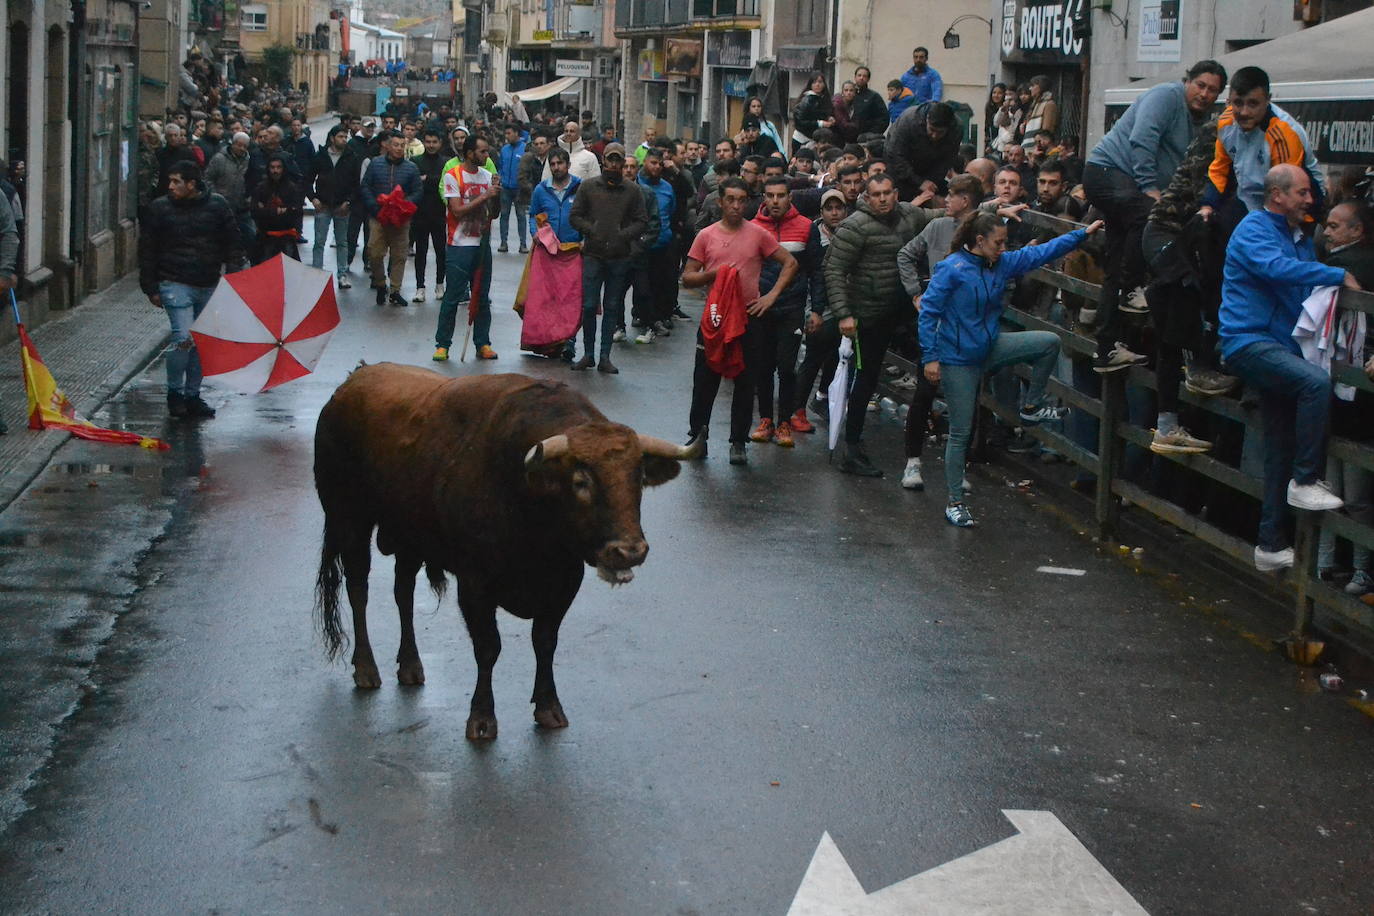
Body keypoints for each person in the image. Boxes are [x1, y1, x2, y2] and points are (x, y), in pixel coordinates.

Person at [919, 211, 1102, 526]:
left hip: (989, 348)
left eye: (1005, 242)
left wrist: (1081, 235)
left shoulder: (1001, 263)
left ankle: (1031, 406)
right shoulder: (952, 269)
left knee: (1048, 341)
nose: (1003, 248)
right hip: (958, 359)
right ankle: (955, 502)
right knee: (961, 432)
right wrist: (930, 358)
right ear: (979, 241)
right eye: (998, 242)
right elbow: (928, 313)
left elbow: (1039, 253)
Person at [1219, 164, 1358, 571]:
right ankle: (1307, 481)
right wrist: (1336, 272)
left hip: (1280, 348)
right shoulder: (1254, 229)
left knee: (1279, 449)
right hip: (1249, 341)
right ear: (1277, 195)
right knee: (1315, 385)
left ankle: (1270, 545)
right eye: (1302, 192)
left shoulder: (1298, 237)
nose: (1310, 199)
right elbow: (1277, 271)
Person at [1084, 60, 1227, 373]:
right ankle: (1132, 288)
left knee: (1118, 260)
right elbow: (1142, 139)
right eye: (1200, 85)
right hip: (1107, 171)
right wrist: (1150, 187)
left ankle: (1106, 347)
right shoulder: (1166, 96)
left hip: (1125, 186)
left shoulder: (1198, 123)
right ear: (1187, 80)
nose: (1204, 94)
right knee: (1148, 217)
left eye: (1212, 90)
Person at [818, 173, 944, 477]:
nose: (883, 199)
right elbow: (833, 269)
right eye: (876, 194)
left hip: (897, 309)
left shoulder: (907, 215)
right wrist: (844, 313)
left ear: (896, 193)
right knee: (865, 379)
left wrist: (992, 207)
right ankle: (852, 447)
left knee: (922, 358)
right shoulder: (854, 227)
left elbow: (943, 213)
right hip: (867, 313)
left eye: (888, 193)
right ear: (867, 197)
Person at [681, 178, 798, 465]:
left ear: (747, 202)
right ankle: (698, 435)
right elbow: (687, 277)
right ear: (719, 201)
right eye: (730, 199)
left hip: (748, 317)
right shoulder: (706, 235)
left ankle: (738, 441)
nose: (735, 205)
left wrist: (770, 297)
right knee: (705, 378)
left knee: (747, 381)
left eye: (741, 200)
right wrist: (713, 274)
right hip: (716, 318)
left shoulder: (757, 234)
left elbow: (790, 263)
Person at [138, 162, 244, 420]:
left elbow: (233, 242)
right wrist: (150, 286)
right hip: (174, 281)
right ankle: (175, 394)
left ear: (192, 184)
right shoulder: (160, 208)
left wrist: (232, 273)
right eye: (170, 182)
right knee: (183, 338)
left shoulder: (217, 206)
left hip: (207, 282)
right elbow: (147, 249)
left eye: (176, 182)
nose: (170, 187)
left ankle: (193, 395)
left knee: (201, 343)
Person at [1317, 200, 1374, 594]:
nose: (1328, 232)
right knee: (1333, 482)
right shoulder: (1335, 265)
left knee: (1349, 487)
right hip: (1339, 381)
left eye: (1337, 226)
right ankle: (1331, 562)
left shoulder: (1361, 265)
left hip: (1354, 384)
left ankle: (1357, 566)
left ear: (1358, 231)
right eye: (1328, 225)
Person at [1202, 67, 1326, 219]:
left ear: (1268, 100)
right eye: (1238, 103)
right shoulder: (1225, 122)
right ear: (1229, 100)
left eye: (1253, 104)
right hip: (1248, 198)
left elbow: (1288, 193)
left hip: (1297, 205)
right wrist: (1208, 205)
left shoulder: (1283, 133)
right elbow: (1220, 169)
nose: (1244, 112)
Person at [747, 176, 813, 448]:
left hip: (791, 307)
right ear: (764, 197)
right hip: (759, 307)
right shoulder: (751, 227)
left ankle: (784, 421)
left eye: (781, 195)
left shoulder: (806, 227)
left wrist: (816, 309)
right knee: (762, 367)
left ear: (790, 197)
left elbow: (815, 270)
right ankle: (765, 419)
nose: (775, 201)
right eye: (770, 195)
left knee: (786, 368)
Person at [568, 143, 646, 373]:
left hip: (619, 257)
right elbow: (575, 216)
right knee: (590, 305)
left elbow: (641, 221)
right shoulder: (588, 187)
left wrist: (623, 235)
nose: (613, 164)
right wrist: (591, 230)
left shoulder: (633, 191)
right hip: (593, 254)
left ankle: (605, 356)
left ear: (623, 163)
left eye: (618, 160)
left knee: (612, 305)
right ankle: (588, 354)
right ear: (603, 161)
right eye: (610, 159)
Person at [434, 135, 500, 362]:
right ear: (470, 153)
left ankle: (483, 343)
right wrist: (485, 196)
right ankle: (443, 344)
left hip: (482, 245)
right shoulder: (454, 176)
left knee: (482, 296)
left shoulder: (488, 177)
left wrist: (496, 195)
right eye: (482, 152)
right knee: (453, 296)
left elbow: (495, 213)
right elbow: (457, 211)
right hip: (459, 245)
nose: (486, 156)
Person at [360, 130, 423, 306]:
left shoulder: (411, 168)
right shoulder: (375, 164)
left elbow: (418, 191)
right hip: (378, 216)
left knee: (399, 255)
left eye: (402, 145)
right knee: (374, 252)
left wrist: (403, 204)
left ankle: (395, 290)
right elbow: (365, 187)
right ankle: (380, 283)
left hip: (401, 219)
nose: (399, 149)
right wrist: (374, 206)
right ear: (388, 146)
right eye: (395, 145)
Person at [633, 147, 679, 344]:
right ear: (645, 163)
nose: (657, 167)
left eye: (660, 164)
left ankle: (658, 317)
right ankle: (641, 315)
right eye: (653, 163)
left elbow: (672, 210)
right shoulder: (637, 185)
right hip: (641, 244)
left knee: (660, 282)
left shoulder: (667, 188)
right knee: (641, 284)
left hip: (662, 243)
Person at [309, 125, 359, 287]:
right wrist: (313, 198)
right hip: (323, 204)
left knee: (342, 241)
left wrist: (349, 201)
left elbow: (356, 183)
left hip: (342, 206)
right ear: (332, 138)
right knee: (319, 241)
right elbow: (307, 179)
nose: (344, 140)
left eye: (345, 137)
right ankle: (317, 273)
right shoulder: (321, 156)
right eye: (340, 137)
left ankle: (342, 274)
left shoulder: (351, 157)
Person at [409, 128, 449, 302]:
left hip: (440, 213)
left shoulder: (446, 162)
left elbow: (445, 184)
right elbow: (415, 183)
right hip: (420, 214)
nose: (431, 145)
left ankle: (440, 284)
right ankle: (420, 287)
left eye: (434, 142)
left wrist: (428, 179)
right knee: (421, 252)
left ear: (440, 143)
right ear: (424, 142)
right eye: (428, 141)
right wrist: (432, 180)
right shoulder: (415, 161)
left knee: (441, 251)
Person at [204, 132, 255, 257]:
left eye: (245, 146)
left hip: (242, 206)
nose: (241, 148)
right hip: (222, 205)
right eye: (239, 145)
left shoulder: (250, 161)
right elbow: (208, 179)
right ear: (233, 143)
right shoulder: (219, 159)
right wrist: (216, 195)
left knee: (250, 235)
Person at [250, 154, 303, 262]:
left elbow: (296, 211)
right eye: (272, 167)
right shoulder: (260, 188)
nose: (275, 171)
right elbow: (255, 211)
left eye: (279, 167)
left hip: (286, 238)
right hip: (265, 238)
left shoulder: (291, 188)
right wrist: (276, 211)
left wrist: (267, 210)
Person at [497, 123, 529, 253]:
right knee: (504, 215)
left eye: (509, 133)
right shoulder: (504, 149)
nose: (507, 136)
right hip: (505, 187)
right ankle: (503, 242)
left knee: (521, 215)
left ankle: (523, 244)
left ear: (516, 133)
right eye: (506, 133)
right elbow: (500, 166)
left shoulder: (525, 149)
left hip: (519, 188)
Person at [792, 73, 834, 154]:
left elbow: (822, 113)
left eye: (820, 82)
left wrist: (829, 118)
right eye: (814, 82)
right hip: (802, 138)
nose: (817, 85)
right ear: (810, 85)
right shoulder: (806, 100)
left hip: (816, 139)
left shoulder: (823, 99)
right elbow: (800, 121)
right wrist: (820, 123)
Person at [850, 67, 889, 138]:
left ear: (868, 79)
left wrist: (872, 134)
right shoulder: (849, 94)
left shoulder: (874, 96)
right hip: (848, 137)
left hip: (866, 139)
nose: (861, 78)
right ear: (855, 77)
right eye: (859, 75)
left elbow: (884, 118)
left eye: (864, 76)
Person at [1020, 75, 1059, 142]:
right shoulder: (1034, 104)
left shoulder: (1049, 104)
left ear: (1040, 87)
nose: (1030, 88)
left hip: (1037, 147)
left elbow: (1047, 130)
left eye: (1033, 85)